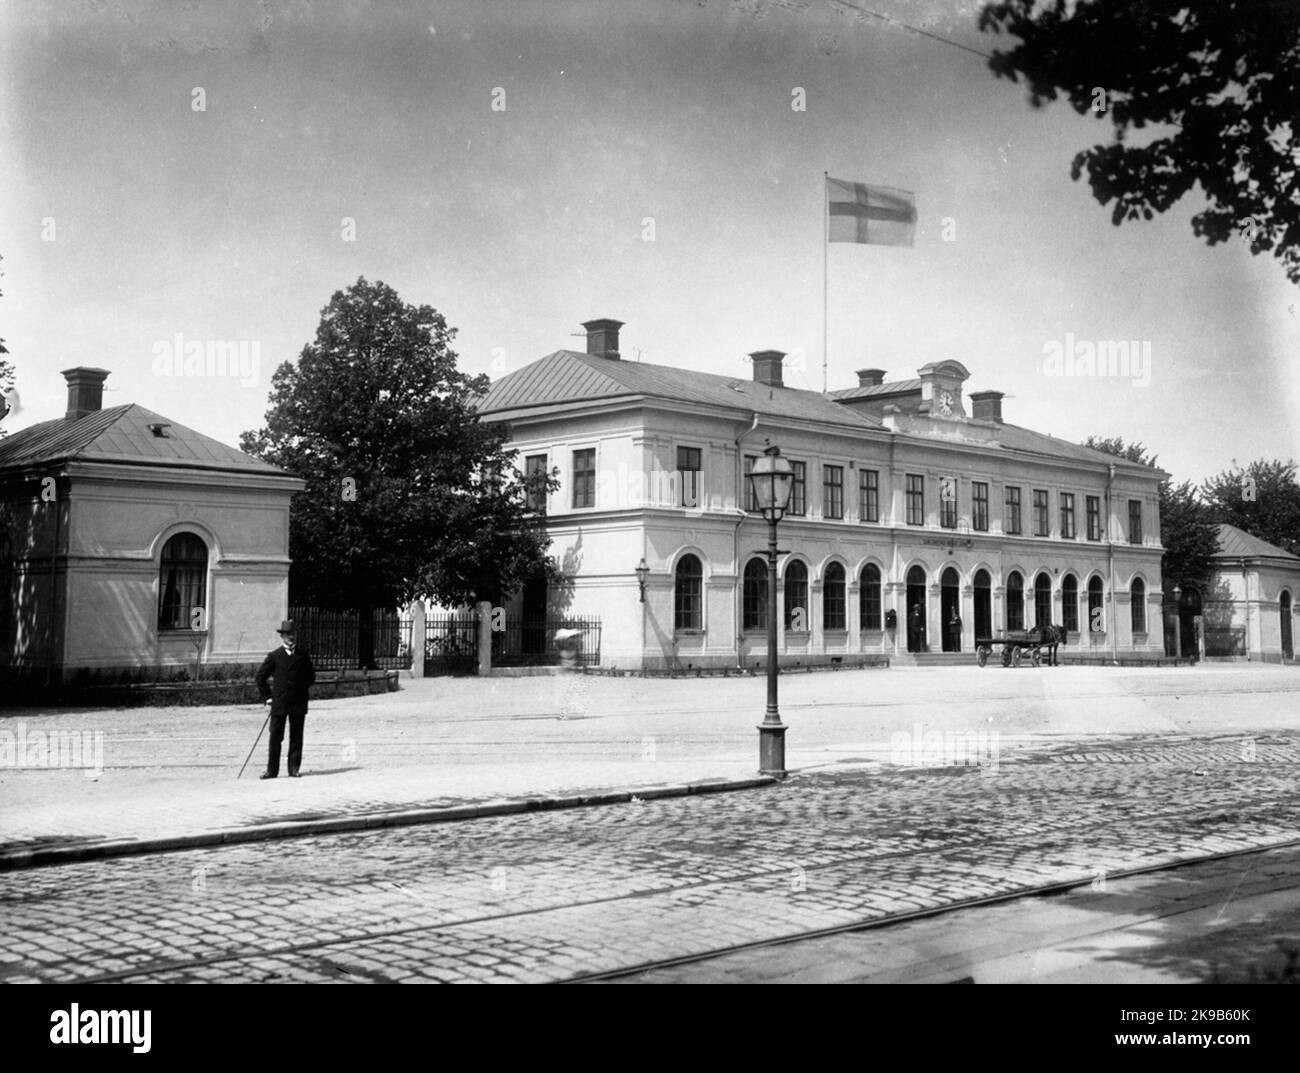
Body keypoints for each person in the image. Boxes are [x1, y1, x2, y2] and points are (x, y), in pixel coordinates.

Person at [256, 619, 316, 779]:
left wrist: (300, 689)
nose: (291, 637)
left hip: (298, 701)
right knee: (276, 736)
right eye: (288, 634)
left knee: (296, 736)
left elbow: (311, 676)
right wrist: (268, 698)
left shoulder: (303, 656)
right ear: (282, 636)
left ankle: (294, 768)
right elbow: (260, 677)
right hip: (280, 702)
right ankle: (272, 770)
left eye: (293, 633)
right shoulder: (275, 656)